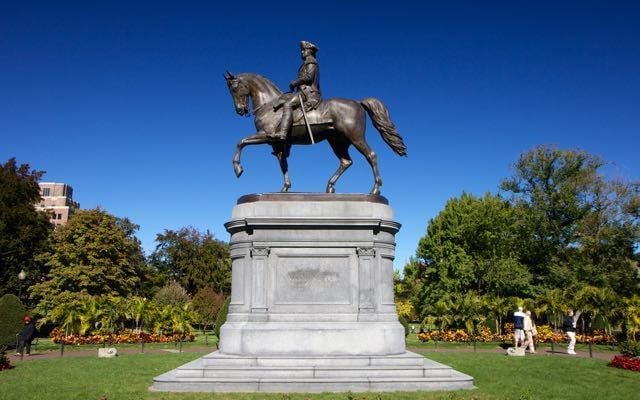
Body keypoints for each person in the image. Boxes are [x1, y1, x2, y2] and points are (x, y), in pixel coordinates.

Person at [270, 40, 322, 140]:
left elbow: (309, 78)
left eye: (304, 50)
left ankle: (282, 133)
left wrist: (295, 82)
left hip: (308, 93)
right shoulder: (306, 63)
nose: (302, 52)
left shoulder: (311, 62)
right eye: (302, 51)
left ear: (309, 51)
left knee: (288, 104)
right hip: (303, 91)